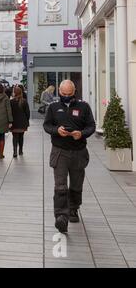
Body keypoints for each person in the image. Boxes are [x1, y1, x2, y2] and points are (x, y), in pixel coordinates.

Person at [43, 80, 96, 234]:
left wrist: (82, 134)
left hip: (78, 151)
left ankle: (73, 208)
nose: (66, 96)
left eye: (69, 94)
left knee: (76, 185)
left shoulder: (83, 106)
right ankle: (61, 217)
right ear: (59, 91)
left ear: (74, 91)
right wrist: (56, 130)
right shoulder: (53, 107)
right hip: (60, 151)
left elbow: (91, 126)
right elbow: (47, 125)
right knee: (60, 185)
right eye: (64, 94)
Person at [10, 86, 31, 158]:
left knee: (15, 137)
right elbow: (27, 113)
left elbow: (10, 113)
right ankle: (20, 151)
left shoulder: (11, 102)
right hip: (22, 123)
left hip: (14, 123)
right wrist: (26, 120)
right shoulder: (24, 101)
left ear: (14, 93)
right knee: (21, 136)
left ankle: (15, 151)